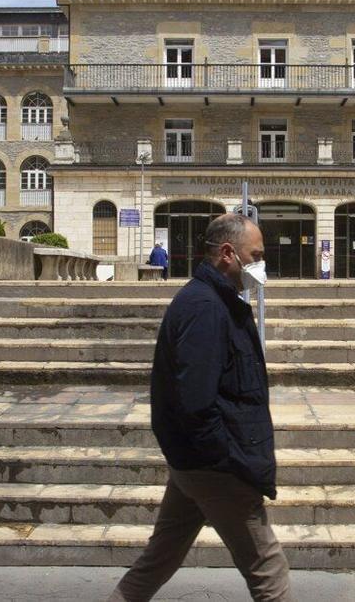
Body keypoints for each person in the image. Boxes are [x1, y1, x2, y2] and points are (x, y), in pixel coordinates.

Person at [109, 214, 290, 602]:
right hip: (215, 468)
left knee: (159, 559)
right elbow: (196, 401)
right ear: (228, 253)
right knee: (268, 568)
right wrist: (229, 461)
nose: (261, 263)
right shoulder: (205, 307)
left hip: (194, 463)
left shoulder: (214, 301)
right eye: (255, 255)